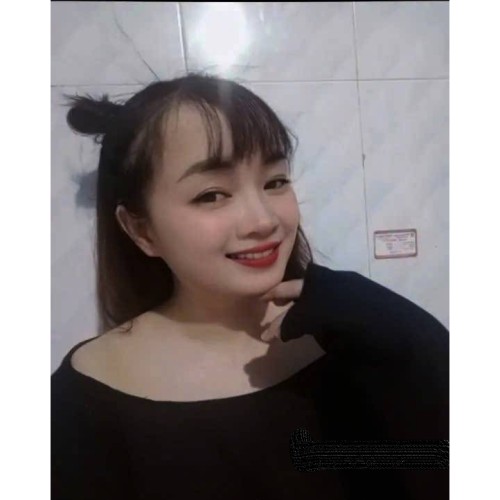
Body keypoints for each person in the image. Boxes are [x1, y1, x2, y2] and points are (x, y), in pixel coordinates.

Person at [51, 73, 449, 499]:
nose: (263, 220)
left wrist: (414, 340)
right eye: (211, 195)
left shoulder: (353, 339)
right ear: (141, 229)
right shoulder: (83, 402)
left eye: (275, 182)